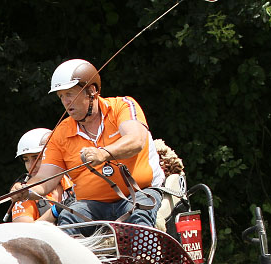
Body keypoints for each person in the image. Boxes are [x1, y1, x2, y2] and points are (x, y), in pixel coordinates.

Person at [12, 59, 165, 232]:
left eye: (69, 94)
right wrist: (26, 190)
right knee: (68, 218)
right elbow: (45, 180)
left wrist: (104, 153)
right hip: (93, 206)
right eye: (61, 96)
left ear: (91, 91)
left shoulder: (122, 106)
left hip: (139, 193)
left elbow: (136, 140)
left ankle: (141, 259)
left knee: (140, 214)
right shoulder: (60, 134)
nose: (65, 102)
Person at [9, 128, 75, 224]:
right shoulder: (24, 192)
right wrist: (54, 212)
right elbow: (24, 233)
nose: (31, 165)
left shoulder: (74, 182)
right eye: (26, 160)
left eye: (37, 158)